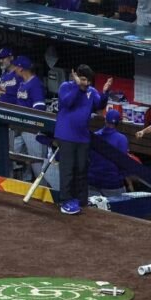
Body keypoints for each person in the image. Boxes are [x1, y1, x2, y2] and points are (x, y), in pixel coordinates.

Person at [55, 64, 112, 215]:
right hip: (66, 135)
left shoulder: (91, 91)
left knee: (82, 168)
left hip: (83, 137)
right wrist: (77, 87)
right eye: (83, 79)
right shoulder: (66, 87)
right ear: (75, 76)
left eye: (88, 80)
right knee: (68, 169)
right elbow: (67, 102)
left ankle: (80, 200)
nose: (86, 83)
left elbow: (99, 105)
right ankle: (65, 201)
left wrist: (105, 93)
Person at [12, 56, 48, 181]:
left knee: (37, 164)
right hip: (20, 127)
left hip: (32, 130)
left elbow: (39, 107)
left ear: (21, 68)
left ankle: (44, 189)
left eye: (16, 66)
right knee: (13, 153)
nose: (14, 69)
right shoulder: (22, 82)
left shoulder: (35, 84)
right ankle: (25, 180)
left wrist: (27, 119)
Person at [89, 108, 129, 198]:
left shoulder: (94, 136)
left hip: (92, 181)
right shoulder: (122, 139)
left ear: (105, 120)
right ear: (118, 123)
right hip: (112, 184)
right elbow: (123, 164)